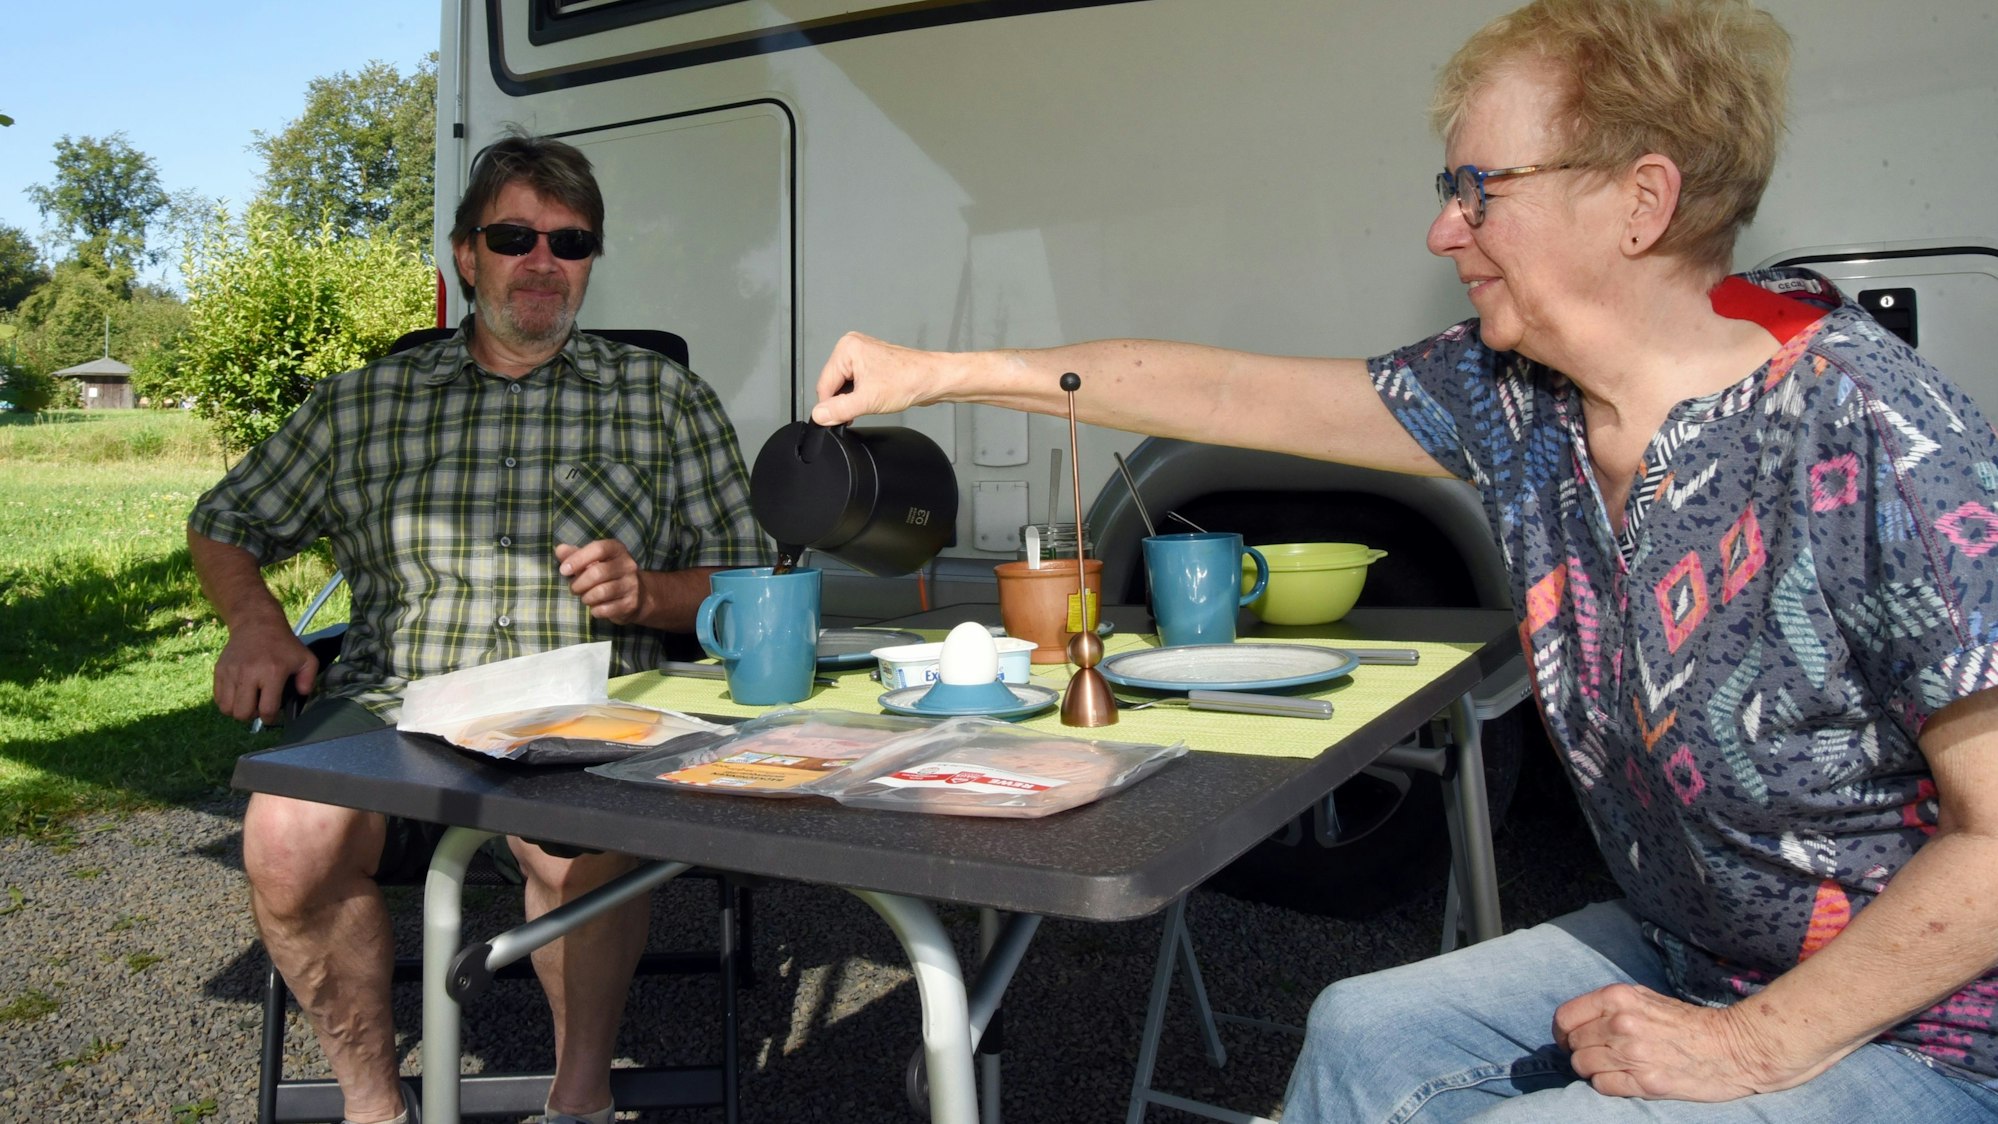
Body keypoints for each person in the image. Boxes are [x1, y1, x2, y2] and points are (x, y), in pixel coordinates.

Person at [807, 0, 1998, 1118]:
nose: (1443, 229)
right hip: (1700, 958)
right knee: (1363, 1032)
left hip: (1925, 1025)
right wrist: (944, 371)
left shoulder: (1874, 431)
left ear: (1641, 202)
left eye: (1480, 189)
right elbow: (1220, 388)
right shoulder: (1515, 400)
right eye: (1449, 187)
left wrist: (1751, 1046)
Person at [188, 130, 766, 1124]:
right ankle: (375, 1105)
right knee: (285, 837)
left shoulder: (662, 398)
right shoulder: (366, 402)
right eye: (515, 235)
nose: (543, 260)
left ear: (591, 261)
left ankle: (578, 1099)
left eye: (570, 241)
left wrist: (650, 594)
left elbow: (752, 583)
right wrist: (256, 623)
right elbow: (225, 520)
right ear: (467, 255)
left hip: (579, 708)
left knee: (585, 844)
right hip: (391, 705)